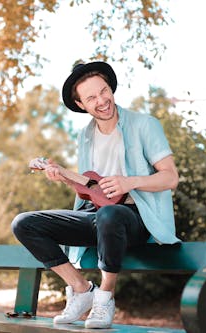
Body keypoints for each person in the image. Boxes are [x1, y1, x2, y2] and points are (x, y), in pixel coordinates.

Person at [11, 61, 180, 329]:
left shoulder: (144, 125)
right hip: (98, 217)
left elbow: (171, 178)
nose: (102, 101)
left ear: (110, 88)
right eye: (91, 97)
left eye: (104, 91)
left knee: (111, 214)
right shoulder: (85, 136)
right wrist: (62, 175)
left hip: (135, 218)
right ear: (81, 105)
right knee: (24, 223)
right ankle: (80, 288)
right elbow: (94, 189)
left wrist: (129, 182)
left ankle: (105, 297)